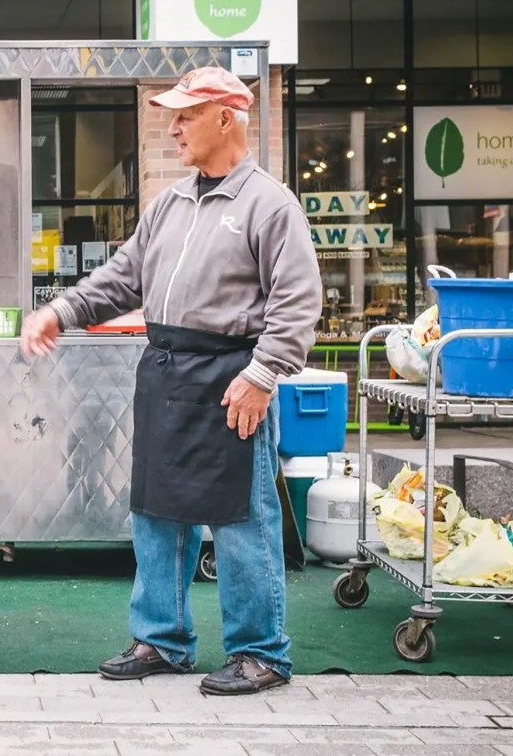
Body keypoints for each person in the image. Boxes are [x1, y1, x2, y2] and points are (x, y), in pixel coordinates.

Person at [20, 66, 321, 696]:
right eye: (173, 115)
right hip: (164, 372)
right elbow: (124, 277)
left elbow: (296, 304)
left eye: (186, 114)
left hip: (231, 377)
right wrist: (60, 309)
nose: (174, 125)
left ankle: (261, 652)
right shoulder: (170, 203)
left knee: (242, 520)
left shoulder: (270, 203)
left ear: (226, 117)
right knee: (156, 514)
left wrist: (262, 376)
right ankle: (163, 639)